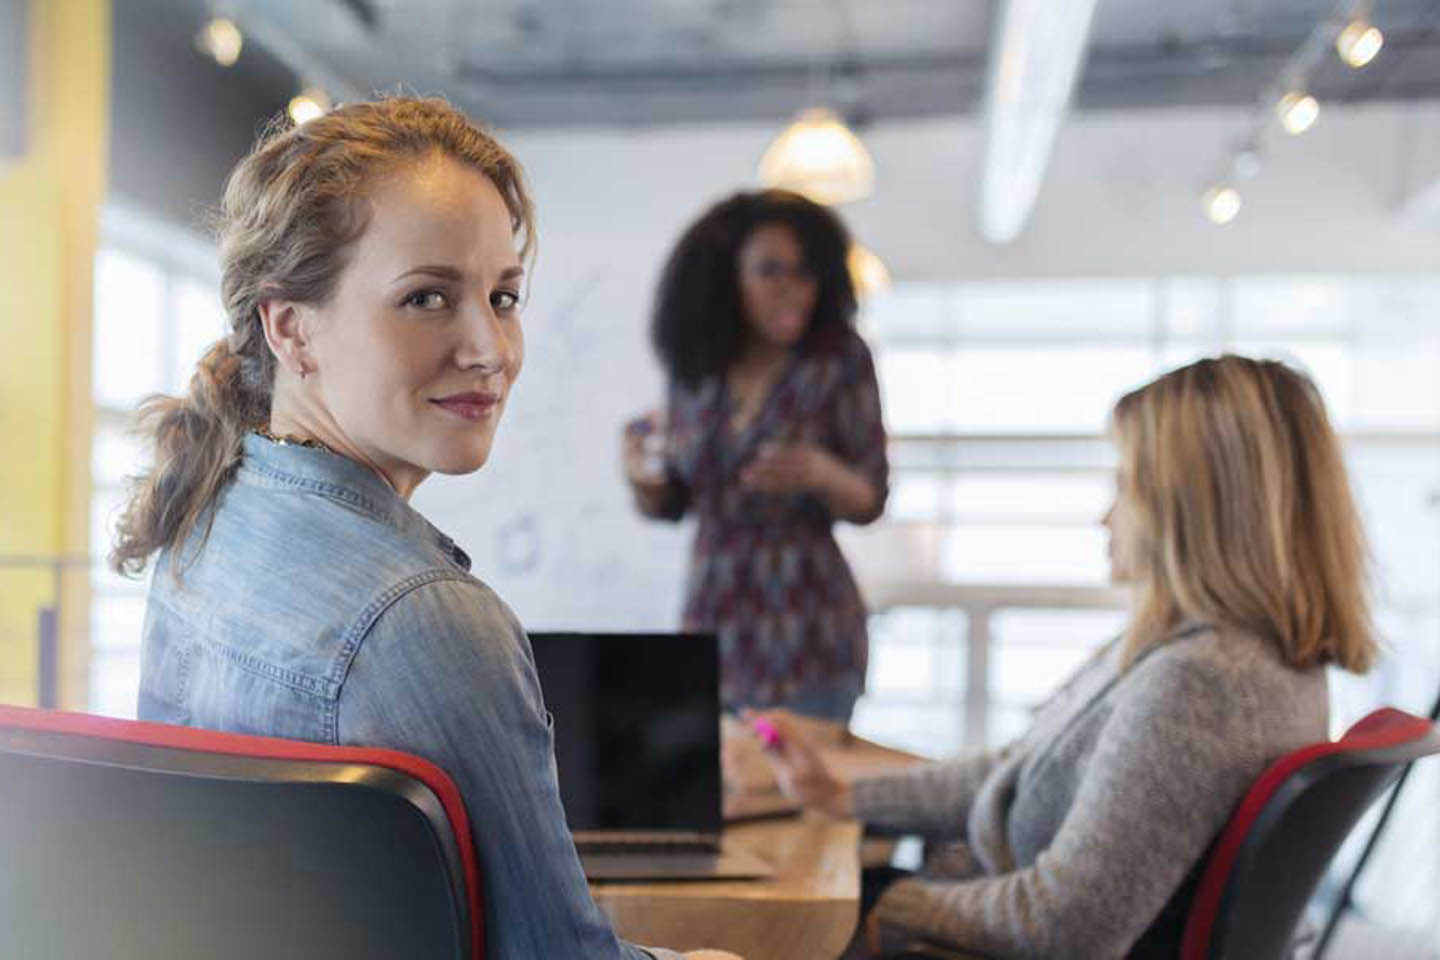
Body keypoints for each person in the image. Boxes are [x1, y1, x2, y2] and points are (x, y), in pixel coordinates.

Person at [112, 96, 737, 960]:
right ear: (292, 327)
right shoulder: (423, 618)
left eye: (504, 295)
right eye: (427, 298)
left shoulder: (206, 520)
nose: (489, 347)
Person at [747, 355, 1378, 958]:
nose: (1105, 517)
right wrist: (843, 796)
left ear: (1194, 510)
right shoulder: (1211, 652)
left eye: (1125, 485)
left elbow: (1062, 924)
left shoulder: (1198, 685)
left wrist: (887, 908)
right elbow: (1008, 772)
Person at [623, 189, 889, 724]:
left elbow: (870, 498)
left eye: (805, 273)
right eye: (770, 271)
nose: (793, 290)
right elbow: (675, 499)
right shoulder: (695, 370)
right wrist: (640, 478)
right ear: (725, 278)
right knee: (711, 798)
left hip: (810, 632)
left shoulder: (838, 361)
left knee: (805, 800)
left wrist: (819, 472)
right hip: (713, 623)